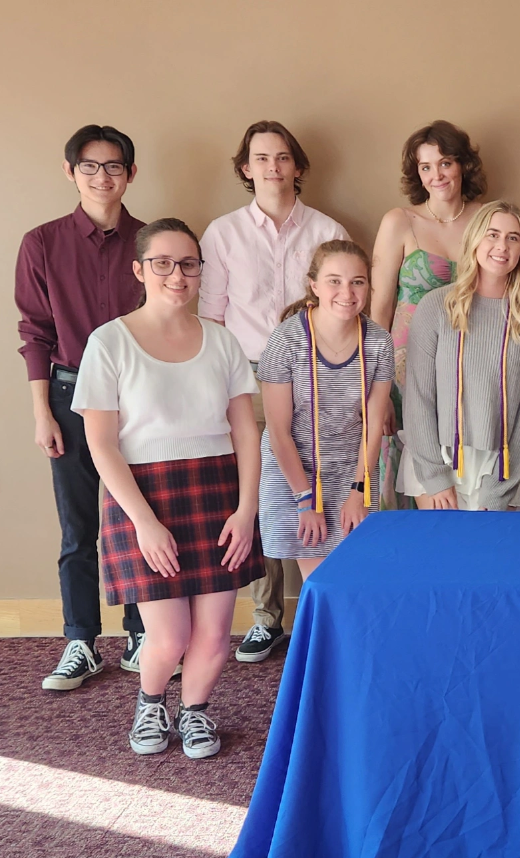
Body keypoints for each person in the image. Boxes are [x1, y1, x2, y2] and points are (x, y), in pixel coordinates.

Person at [72, 218, 264, 758]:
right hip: (143, 499)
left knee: (215, 635)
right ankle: (152, 700)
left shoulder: (222, 341)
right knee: (170, 637)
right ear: (139, 269)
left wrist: (247, 509)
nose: (177, 275)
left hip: (216, 493)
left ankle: (196, 712)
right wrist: (145, 522)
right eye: (163, 263)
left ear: (201, 272)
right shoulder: (108, 342)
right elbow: (102, 446)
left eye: (189, 264)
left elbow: (246, 432)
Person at [199, 120, 349, 663]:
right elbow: (211, 316)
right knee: (259, 496)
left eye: (282, 157)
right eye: (261, 158)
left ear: (298, 166)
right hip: (247, 375)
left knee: (311, 489)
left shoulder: (328, 230)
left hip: (315, 375)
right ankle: (267, 616)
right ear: (246, 167)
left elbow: (340, 304)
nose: (272, 167)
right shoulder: (221, 233)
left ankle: (317, 607)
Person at [15, 124, 153, 690]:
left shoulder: (150, 241)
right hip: (70, 393)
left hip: (140, 396)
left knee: (143, 515)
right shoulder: (41, 242)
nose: (103, 177)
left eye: (114, 166)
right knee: (78, 528)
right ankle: (81, 640)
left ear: (131, 174)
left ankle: (142, 631)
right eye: (91, 167)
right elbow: (35, 332)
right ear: (70, 171)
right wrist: (42, 411)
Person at [399, 201, 520, 510]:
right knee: (442, 557)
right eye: (492, 234)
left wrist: (500, 487)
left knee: (492, 558)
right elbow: (418, 395)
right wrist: (434, 474)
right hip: (438, 459)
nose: (502, 246)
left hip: (503, 466)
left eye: (513, 237)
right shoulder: (437, 306)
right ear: (475, 240)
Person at [369, 121, 486, 509]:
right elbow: (379, 310)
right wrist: (377, 389)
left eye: (445, 163)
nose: (436, 175)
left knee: (463, 486)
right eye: (425, 167)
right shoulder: (399, 221)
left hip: (469, 367)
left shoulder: (487, 220)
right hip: (407, 371)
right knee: (409, 484)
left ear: (463, 165)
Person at [259, 241, 393, 577]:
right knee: (320, 582)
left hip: (353, 469)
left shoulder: (378, 342)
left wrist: (358, 490)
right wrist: (306, 501)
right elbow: (278, 431)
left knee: (357, 577)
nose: (346, 292)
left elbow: (374, 423)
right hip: (295, 471)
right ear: (314, 285)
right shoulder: (286, 340)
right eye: (334, 280)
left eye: (357, 282)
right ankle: (318, 633)